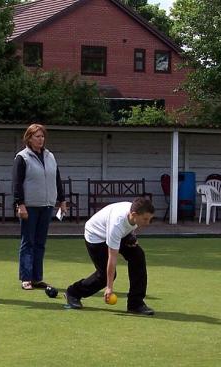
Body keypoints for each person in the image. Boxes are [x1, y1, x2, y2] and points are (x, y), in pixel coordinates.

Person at [64, 197, 156, 315]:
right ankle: (73, 292)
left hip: (117, 233)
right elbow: (112, 259)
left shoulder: (135, 212)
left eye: (150, 219)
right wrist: (109, 287)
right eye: (145, 219)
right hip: (96, 236)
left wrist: (131, 236)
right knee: (105, 276)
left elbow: (129, 227)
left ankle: (136, 303)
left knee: (138, 255)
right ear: (134, 214)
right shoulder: (117, 224)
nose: (148, 223)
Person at [12, 123, 67, 290]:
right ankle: (26, 278)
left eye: (42, 136)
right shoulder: (22, 157)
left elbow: (56, 179)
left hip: (47, 205)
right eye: (37, 136)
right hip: (29, 206)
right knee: (28, 241)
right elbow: (17, 183)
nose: (41, 139)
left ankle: (37, 278)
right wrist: (20, 204)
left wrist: (62, 201)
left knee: (40, 243)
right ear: (29, 138)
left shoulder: (50, 156)